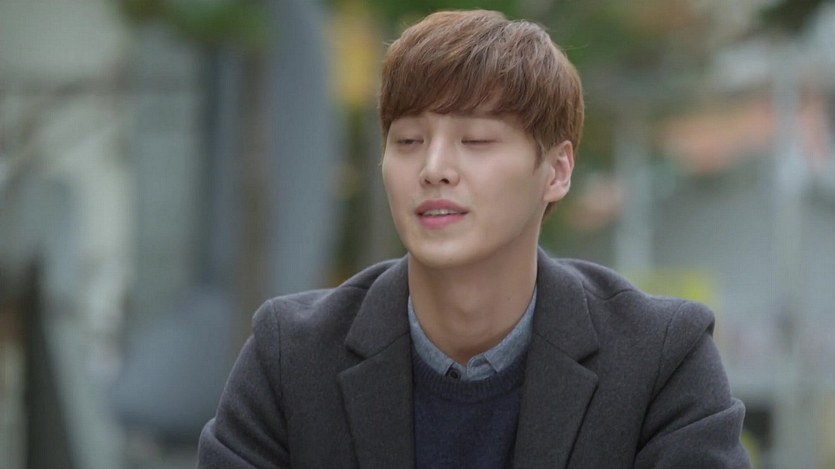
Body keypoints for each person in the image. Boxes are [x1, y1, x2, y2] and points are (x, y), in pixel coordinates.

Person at [198, 9, 750, 469]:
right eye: (408, 140)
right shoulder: (291, 357)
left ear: (557, 171)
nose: (434, 168)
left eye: (477, 140)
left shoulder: (660, 358)